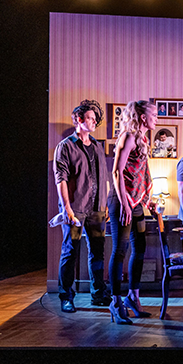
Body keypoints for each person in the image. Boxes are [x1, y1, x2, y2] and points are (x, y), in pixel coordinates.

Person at [53, 99, 111, 313]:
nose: (94, 122)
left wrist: (104, 206)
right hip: (75, 208)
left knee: (97, 252)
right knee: (70, 251)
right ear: (79, 119)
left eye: (95, 119)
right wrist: (66, 208)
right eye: (90, 118)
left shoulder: (97, 146)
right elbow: (61, 178)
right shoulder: (65, 146)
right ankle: (66, 297)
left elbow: (102, 177)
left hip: (96, 209)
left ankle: (98, 294)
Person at [108, 100, 157, 324]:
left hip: (136, 203)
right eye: (153, 115)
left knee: (140, 248)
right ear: (142, 117)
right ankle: (115, 302)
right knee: (120, 250)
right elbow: (117, 172)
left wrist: (148, 200)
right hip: (122, 201)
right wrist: (125, 204)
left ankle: (133, 297)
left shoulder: (144, 139)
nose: (157, 118)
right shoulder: (127, 136)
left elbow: (141, 173)